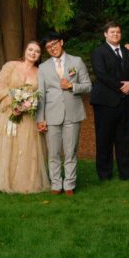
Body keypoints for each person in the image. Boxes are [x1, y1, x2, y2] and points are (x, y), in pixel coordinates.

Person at [0, 37, 46, 195]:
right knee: (7, 145)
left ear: (40, 55)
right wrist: (15, 103)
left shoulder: (40, 72)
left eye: (37, 51)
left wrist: (27, 105)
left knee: (25, 147)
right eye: (31, 50)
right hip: (7, 112)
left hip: (27, 116)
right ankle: (2, 181)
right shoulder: (10, 66)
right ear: (25, 51)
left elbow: (40, 95)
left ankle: (25, 182)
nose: (33, 53)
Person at [35, 31, 90, 196]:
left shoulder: (77, 61)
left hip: (73, 113)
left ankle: (69, 185)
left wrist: (72, 87)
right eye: (48, 47)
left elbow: (88, 86)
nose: (52, 49)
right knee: (53, 153)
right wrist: (40, 118)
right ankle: (56, 184)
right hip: (51, 115)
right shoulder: (43, 67)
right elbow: (41, 94)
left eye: (54, 44)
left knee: (70, 151)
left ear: (61, 42)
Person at [90, 20, 129, 180]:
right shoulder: (98, 52)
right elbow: (101, 74)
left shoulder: (128, 52)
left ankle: (126, 173)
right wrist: (120, 87)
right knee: (104, 139)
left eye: (118, 32)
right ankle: (105, 174)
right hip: (105, 103)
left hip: (127, 102)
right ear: (105, 34)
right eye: (112, 32)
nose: (115, 34)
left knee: (124, 139)